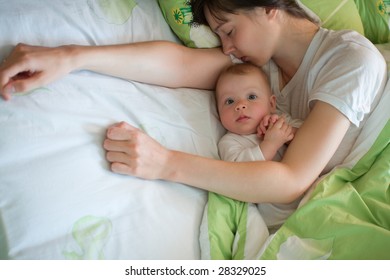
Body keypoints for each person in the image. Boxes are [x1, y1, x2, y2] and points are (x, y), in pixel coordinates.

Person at [0, 0, 387, 208]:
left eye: (230, 30)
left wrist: (165, 163)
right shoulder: (262, 66)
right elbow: (179, 64)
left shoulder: (350, 59)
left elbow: (289, 181)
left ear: (270, 7)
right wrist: (71, 57)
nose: (227, 47)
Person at [200, 62, 302, 259]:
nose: (240, 105)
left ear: (271, 103)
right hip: (276, 222)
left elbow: (310, 140)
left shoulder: (282, 121)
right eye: (229, 101)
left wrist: (287, 133)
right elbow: (239, 174)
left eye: (252, 97)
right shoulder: (230, 142)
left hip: (308, 199)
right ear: (219, 113)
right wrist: (269, 145)